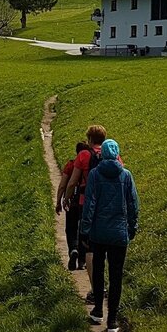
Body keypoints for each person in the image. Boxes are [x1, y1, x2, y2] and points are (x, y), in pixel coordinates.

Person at [79, 138, 138, 332]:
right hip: (119, 233)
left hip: (99, 232)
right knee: (116, 276)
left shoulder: (95, 174)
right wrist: (132, 227)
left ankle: (98, 310)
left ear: (102, 155)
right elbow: (133, 204)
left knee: (98, 271)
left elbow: (90, 203)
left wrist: (85, 229)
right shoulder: (126, 175)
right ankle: (112, 320)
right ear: (117, 154)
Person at [62, 125, 106, 293]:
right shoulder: (112, 154)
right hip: (106, 204)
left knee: (88, 244)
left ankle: (95, 288)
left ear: (89, 139)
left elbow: (73, 182)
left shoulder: (84, 155)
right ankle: (103, 284)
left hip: (85, 202)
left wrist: (66, 198)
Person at [55, 141, 90, 270]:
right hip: (84, 202)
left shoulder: (70, 165)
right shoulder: (90, 165)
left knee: (71, 227)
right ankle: (82, 261)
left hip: (72, 201)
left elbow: (63, 185)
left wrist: (59, 201)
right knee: (82, 229)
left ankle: (73, 250)